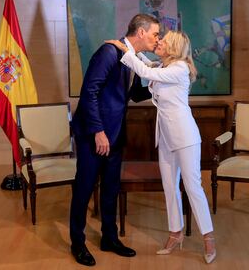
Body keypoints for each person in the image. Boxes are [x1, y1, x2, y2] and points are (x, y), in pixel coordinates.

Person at [106, 30, 216, 264]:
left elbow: (144, 71)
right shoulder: (165, 67)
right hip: (165, 136)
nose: (159, 41)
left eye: (163, 40)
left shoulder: (180, 68)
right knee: (169, 187)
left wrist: (125, 51)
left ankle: (208, 237)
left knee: (192, 186)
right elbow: (148, 64)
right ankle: (175, 234)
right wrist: (130, 49)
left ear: (173, 47)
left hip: (185, 137)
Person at [70, 14, 160, 266]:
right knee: (84, 189)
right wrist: (98, 131)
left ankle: (109, 238)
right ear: (140, 32)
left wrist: (157, 81)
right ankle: (77, 242)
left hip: (116, 134)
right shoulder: (109, 52)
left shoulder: (130, 58)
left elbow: (132, 94)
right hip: (93, 134)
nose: (157, 38)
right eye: (155, 33)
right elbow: (89, 92)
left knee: (110, 189)